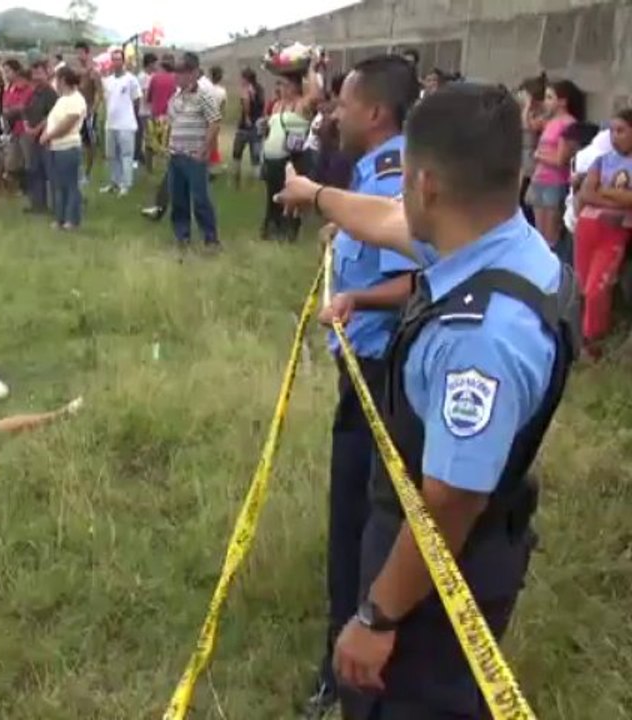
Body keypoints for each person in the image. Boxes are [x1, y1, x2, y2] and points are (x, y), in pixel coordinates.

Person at [277, 82, 578, 720]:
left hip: (436, 580)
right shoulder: (504, 244)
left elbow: (449, 501)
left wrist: (376, 615)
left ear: (427, 183)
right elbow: (387, 223)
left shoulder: (481, 336)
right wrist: (317, 195)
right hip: (457, 550)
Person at [290, 54, 422, 720]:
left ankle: (346, 667)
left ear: (374, 112)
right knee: (359, 520)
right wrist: (346, 233)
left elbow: (415, 280)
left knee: (359, 526)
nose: (332, 113)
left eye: (342, 103)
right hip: (364, 371)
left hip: (381, 377)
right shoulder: (376, 171)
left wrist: (355, 299)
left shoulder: (396, 175)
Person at [574, 108, 632, 357]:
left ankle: (593, 340)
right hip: (588, 228)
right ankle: (580, 340)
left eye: (621, 130)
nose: (614, 136)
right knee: (582, 286)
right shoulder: (602, 160)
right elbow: (585, 193)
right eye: (611, 131)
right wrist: (615, 198)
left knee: (598, 288)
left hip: (614, 232)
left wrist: (603, 193)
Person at [166, 52, 222, 251]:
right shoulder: (175, 97)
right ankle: (182, 236)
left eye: (181, 71)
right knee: (178, 199)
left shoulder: (204, 95)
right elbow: (172, 123)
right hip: (176, 155)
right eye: (176, 71)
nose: (177, 75)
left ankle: (211, 238)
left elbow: (215, 122)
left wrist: (204, 149)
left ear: (193, 72)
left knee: (200, 199)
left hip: (194, 156)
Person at [261, 66, 320, 241]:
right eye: (281, 85)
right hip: (272, 158)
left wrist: (310, 68)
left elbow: (315, 95)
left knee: (290, 194)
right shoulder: (277, 105)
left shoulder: (301, 104)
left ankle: (289, 230)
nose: (282, 89)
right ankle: (272, 228)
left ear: (296, 86)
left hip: (292, 157)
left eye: (286, 85)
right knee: (273, 193)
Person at [532, 79, 585, 248]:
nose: (546, 102)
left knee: (551, 235)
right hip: (540, 179)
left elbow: (561, 160)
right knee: (538, 233)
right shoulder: (550, 122)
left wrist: (540, 156)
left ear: (562, 101)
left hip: (555, 182)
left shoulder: (568, 124)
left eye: (549, 97)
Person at [42, 66, 87, 230]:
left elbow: (67, 124)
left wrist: (49, 135)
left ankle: (71, 219)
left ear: (63, 80)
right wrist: (45, 134)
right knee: (57, 185)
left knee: (70, 185)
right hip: (55, 147)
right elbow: (52, 119)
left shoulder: (77, 100)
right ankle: (59, 218)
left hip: (68, 147)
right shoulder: (61, 99)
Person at [100, 49, 142, 197]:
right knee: (111, 155)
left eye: (118, 59)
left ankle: (126, 184)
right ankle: (114, 182)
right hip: (111, 124)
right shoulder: (108, 81)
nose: (116, 62)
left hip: (126, 125)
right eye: (114, 59)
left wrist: (132, 117)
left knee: (126, 155)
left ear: (123, 62)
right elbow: (107, 100)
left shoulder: (131, 79)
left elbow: (137, 100)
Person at [23, 60, 59, 214]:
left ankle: (58, 206)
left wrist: (36, 129)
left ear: (47, 73)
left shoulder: (51, 93)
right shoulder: (32, 91)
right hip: (32, 138)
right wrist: (26, 126)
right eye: (34, 72)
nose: (36, 76)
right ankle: (38, 205)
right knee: (34, 171)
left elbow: (51, 116)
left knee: (50, 172)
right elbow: (25, 110)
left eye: (40, 72)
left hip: (46, 138)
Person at [517, 74, 547, 226]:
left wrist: (527, 106)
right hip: (523, 160)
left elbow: (528, 127)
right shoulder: (527, 112)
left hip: (533, 161)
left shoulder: (542, 114)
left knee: (527, 202)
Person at [2, 60, 34, 193]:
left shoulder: (28, 89)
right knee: (11, 162)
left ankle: (30, 190)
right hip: (14, 129)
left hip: (25, 129)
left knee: (28, 160)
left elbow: (23, 107)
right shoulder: (9, 88)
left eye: (8, 71)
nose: (6, 74)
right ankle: (16, 188)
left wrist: (11, 110)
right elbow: (5, 108)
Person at [74, 41, 102, 184]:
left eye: (81, 52)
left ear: (87, 53)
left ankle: (88, 173)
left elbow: (99, 93)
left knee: (89, 143)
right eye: (77, 52)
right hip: (77, 111)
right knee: (76, 142)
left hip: (88, 111)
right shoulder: (78, 71)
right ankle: (78, 171)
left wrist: (93, 109)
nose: (79, 56)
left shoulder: (93, 71)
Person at [232, 68, 265, 188]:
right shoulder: (260, 89)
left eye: (242, 78)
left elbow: (246, 101)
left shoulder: (247, 89)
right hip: (257, 124)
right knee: (255, 155)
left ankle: (236, 180)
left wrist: (246, 117)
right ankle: (258, 181)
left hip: (245, 126)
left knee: (237, 153)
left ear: (246, 78)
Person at [136, 52, 157, 169]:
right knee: (148, 136)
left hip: (151, 111)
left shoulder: (153, 76)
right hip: (145, 112)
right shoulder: (142, 77)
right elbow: (145, 96)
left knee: (152, 136)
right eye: (154, 63)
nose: (156, 66)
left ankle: (149, 160)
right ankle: (146, 161)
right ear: (149, 64)